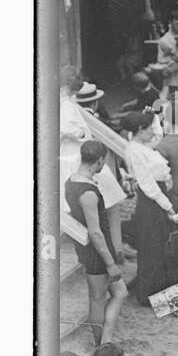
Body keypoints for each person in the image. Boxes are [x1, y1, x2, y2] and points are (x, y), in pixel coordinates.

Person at [66, 140, 127, 343]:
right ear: (100, 160)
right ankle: (102, 343)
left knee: (119, 292)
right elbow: (95, 232)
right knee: (98, 299)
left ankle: (105, 339)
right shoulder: (88, 192)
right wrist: (110, 263)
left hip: (91, 249)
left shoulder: (72, 181)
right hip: (96, 252)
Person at [119, 111, 176, 307]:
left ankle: (161, 293)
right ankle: (149, 296)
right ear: (140, 130)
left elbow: (157, 136)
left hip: (157, 197)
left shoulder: (142, 145)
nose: (153, 131)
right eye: (149, 128)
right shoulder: (135, 150)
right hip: (151, 200)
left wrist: (154, 117)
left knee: (161, 245)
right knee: (153, 248)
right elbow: (147, 183)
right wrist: (167, 206)